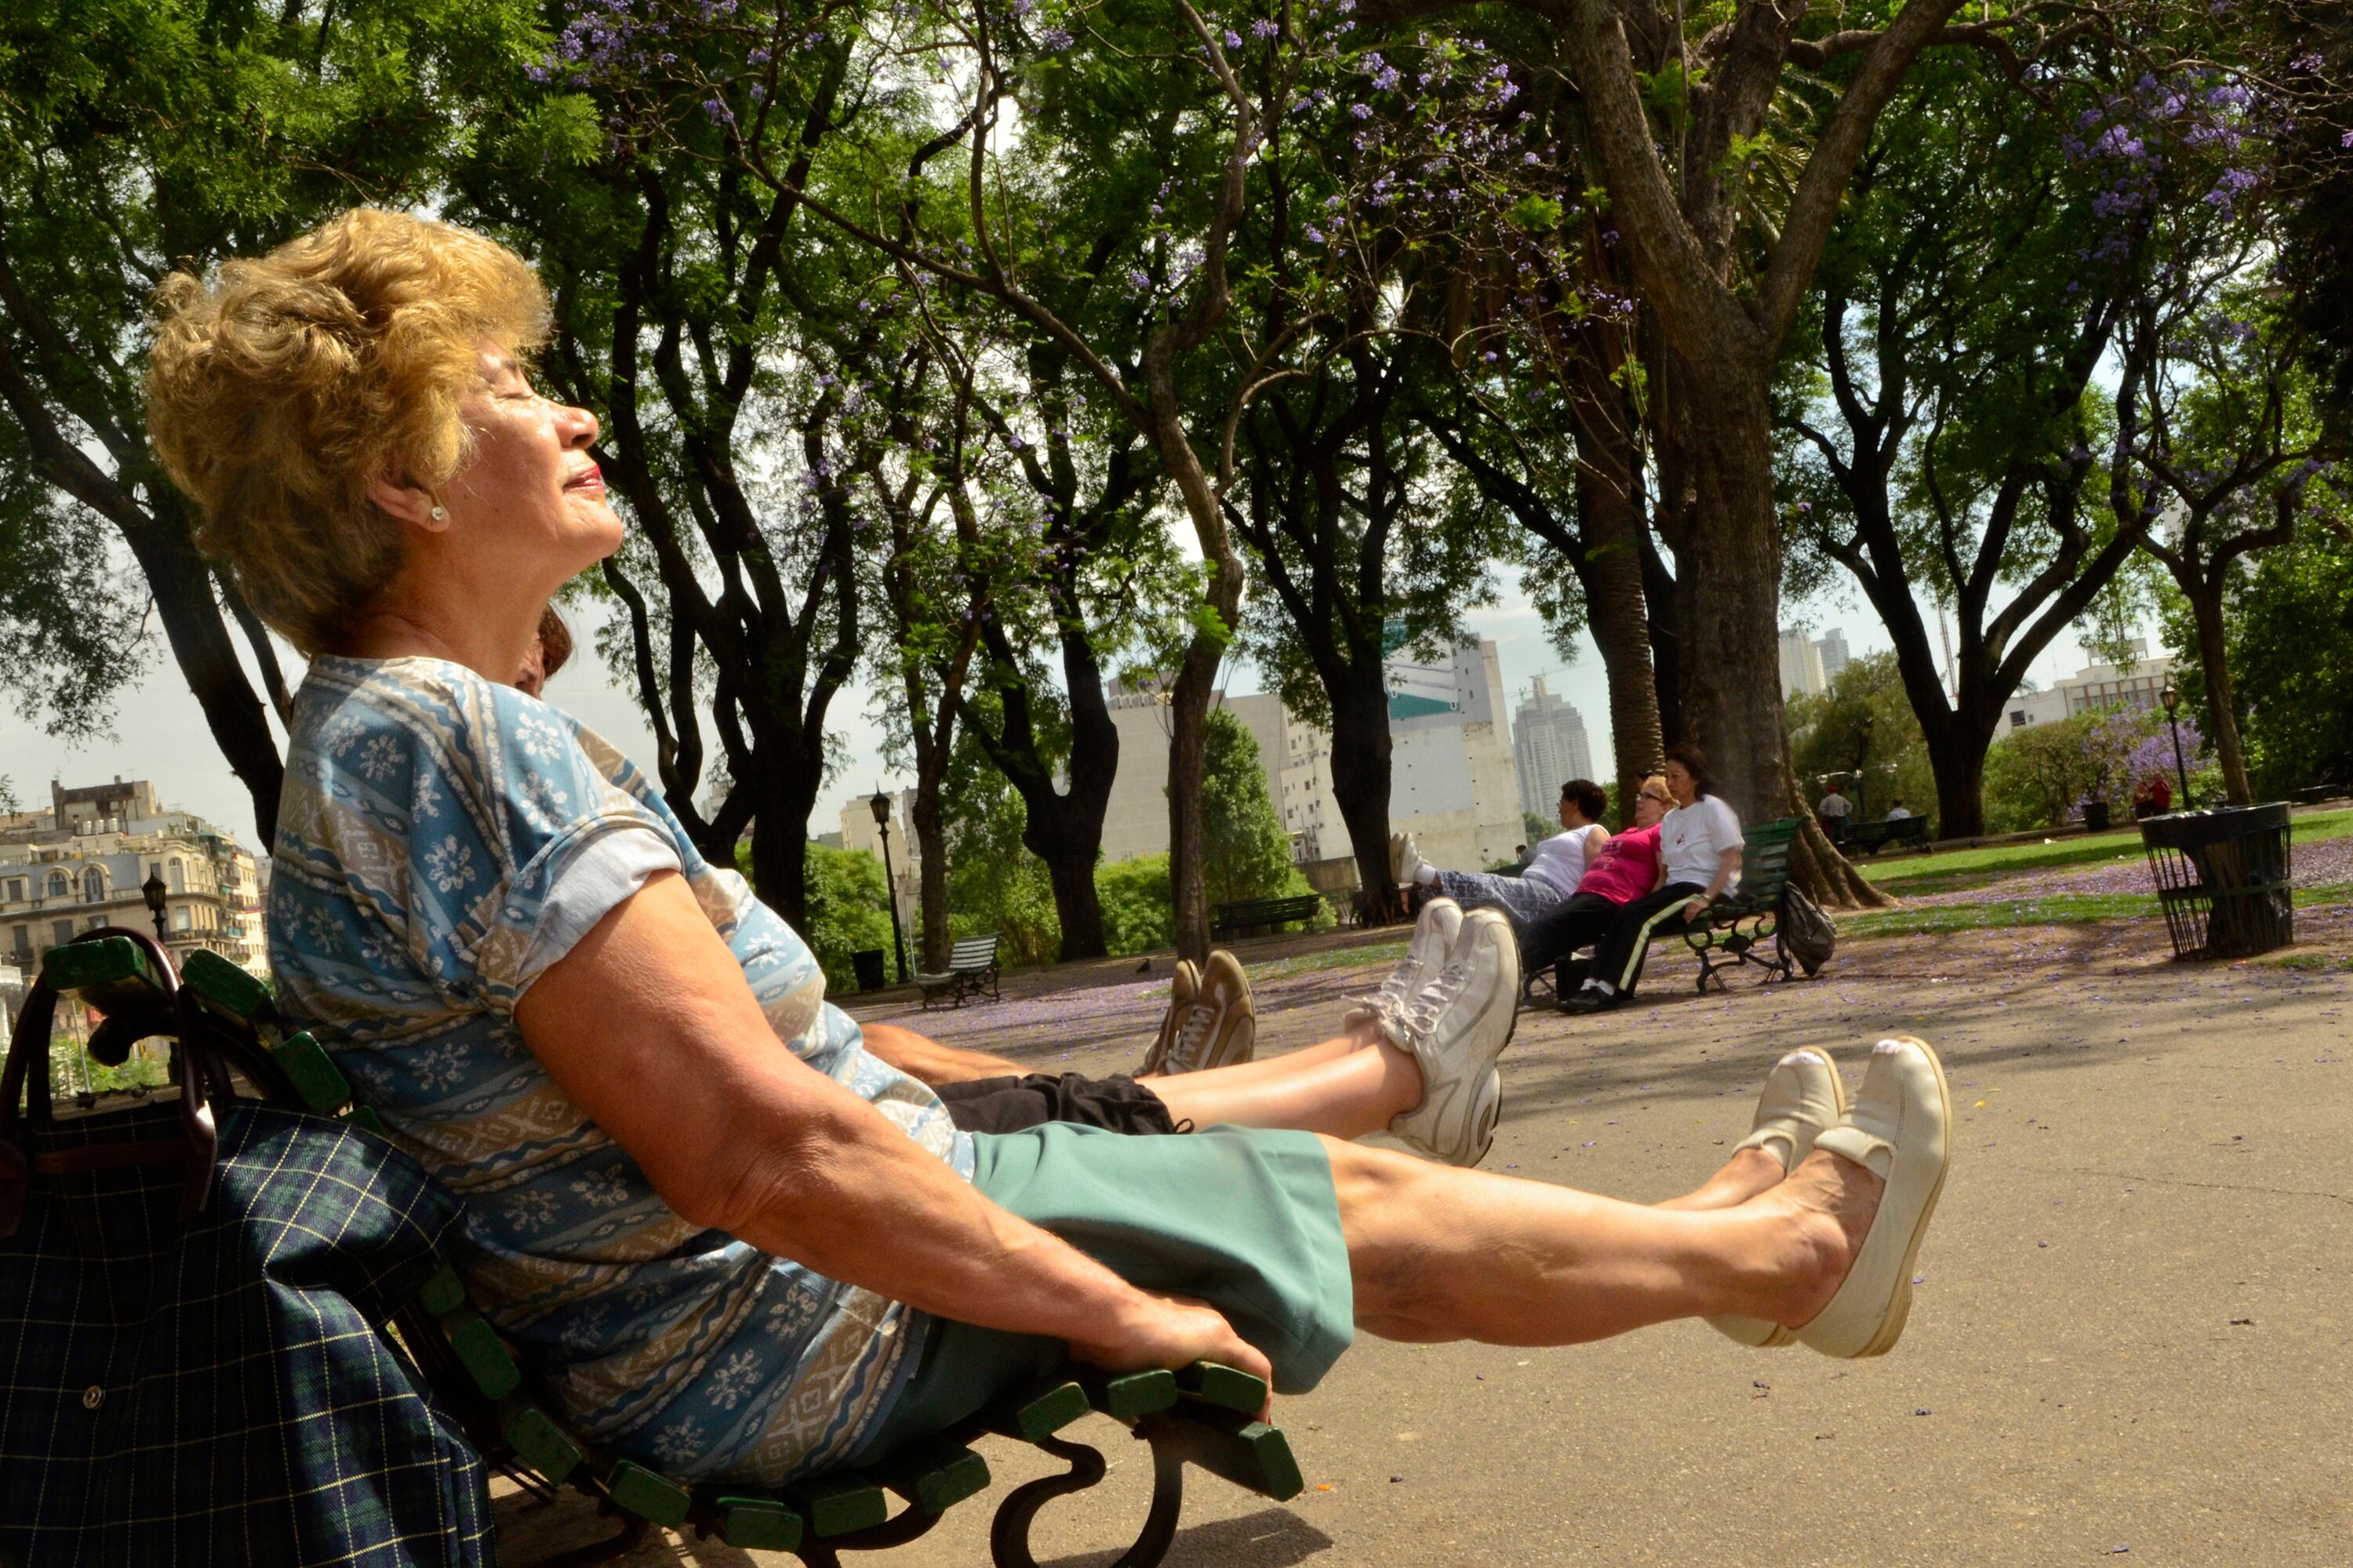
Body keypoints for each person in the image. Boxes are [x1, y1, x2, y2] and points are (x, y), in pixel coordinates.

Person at [145, 209, 1948, 1500]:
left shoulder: (397, 735)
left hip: (690, 1318)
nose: (569, 412)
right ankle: (1779, 1262)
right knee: (1326, 1206)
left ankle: (1716, 1240)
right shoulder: (443, 743)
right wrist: (1114, 1302)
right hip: (761, 1336)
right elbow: (753, 1145)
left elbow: (755, 1102)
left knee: (1279, 1188)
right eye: (514, 384)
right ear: (403, 468)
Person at [1561, 744, 1744, 1013]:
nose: (1670, 783)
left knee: (1639, 921)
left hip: (1704, 887)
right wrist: (1646, 900)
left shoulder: (1713, 809)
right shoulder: (1670, 820)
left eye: (1676, 776)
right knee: (1624, 914)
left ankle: (1611, 990)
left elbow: (1732, 859)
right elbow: (1666, 874)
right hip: (1676, 889)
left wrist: (1706, 899)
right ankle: (1591, 986)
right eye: (1667, 777)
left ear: (1696, 777)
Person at [1389, 779, 1612, 931]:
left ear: (1575, 804)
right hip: (1532, 890)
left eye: (1561, 802)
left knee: (1489, 884)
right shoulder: (1568, 835)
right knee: (1446, 895)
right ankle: (1423, 882)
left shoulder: (1595, 832)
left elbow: (1598, 875)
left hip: (1553, 897)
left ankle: (1421, 871)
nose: (1559, 808)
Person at [1516, 775, 1671, 990]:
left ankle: (1499, 976)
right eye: (1639, 795)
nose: (1639, 800)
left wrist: (1645, 907)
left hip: (1613, 897)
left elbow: (1663, 872)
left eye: (1647, 796)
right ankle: (1504, 975)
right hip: (1587, 893)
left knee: (1543, 930)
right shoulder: (1630, 832)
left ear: (1665, 807)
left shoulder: (1660, 831)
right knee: (1541, 931)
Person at [1817, 781, 1853, 845]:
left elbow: (1821, 809)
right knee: (1841, 832)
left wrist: (1825, 814)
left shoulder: (1827, 799)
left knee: (1832, 833)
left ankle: (1832, 845)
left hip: (1832, 819)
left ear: (1829, 792)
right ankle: (1842, 845)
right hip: (1841, 818)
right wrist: (1846, 813)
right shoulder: (1841, 798)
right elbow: (1849, 805)